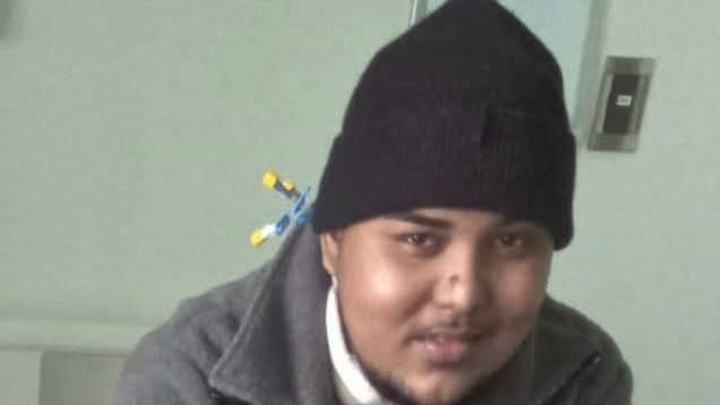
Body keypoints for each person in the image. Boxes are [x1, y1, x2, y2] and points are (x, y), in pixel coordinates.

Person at [113, 0, 633, 404]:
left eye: (512, 242)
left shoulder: (583, 377)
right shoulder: (191, 378)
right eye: (419, 239)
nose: (464, 294)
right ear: (333, 241)